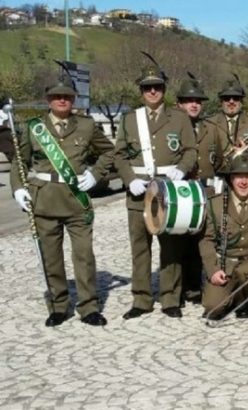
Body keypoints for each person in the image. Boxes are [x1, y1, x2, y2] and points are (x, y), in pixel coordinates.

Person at [11, 66, 114, 327]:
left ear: (73, 99)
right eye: (57, 96)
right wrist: (18, 188)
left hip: (76, 201)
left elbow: (109, 152)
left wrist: (95, 174)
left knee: (84, 256)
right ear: (48, 99)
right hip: (44, 200)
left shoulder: (87, 126)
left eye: (67, 96)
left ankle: (89, 307)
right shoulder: (34, 128)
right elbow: (19, 161)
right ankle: (58, 306)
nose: (62, 100)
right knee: (51, 257)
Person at [113, 57, 197, 319]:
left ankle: (170, 297)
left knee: (171, 246)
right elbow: (119, 155)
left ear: (164, 89)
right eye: (147, 87)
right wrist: (129, 179)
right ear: (140, 90)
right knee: (140, 247)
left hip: (167, 191)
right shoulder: (129, 120)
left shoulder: (179, 118)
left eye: (157, 87)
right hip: (138, 193)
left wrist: (181, 170)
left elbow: (190, 151)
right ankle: (141, 299)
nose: (152, 92)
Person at [199, 154, 248, 319]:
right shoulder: (215, 204)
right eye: (239, 176)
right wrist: (213, 270)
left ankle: (245, 299)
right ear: (230, 179)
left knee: (244, 271)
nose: (243, 181)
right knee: (213, 307)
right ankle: (233, 295)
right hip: (224, 263)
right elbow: (207, 241)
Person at [176, 74, 215, 304]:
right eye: (189, 100)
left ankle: (195, 285)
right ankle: (177, 289)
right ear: (179, 103)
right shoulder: (172, 127)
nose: (194, 104)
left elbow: (218, 159)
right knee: (178, 241)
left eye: (198, 101)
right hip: (181, 192)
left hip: (204, 190)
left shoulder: (211, 128)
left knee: (200, 239)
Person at [204, 76, 248, 170]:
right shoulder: (209, 123)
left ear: (241, 101)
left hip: (243, 175)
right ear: (221, 101)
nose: (231, 102)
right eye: (227, 98)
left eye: (236, 98)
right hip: (217, 174)